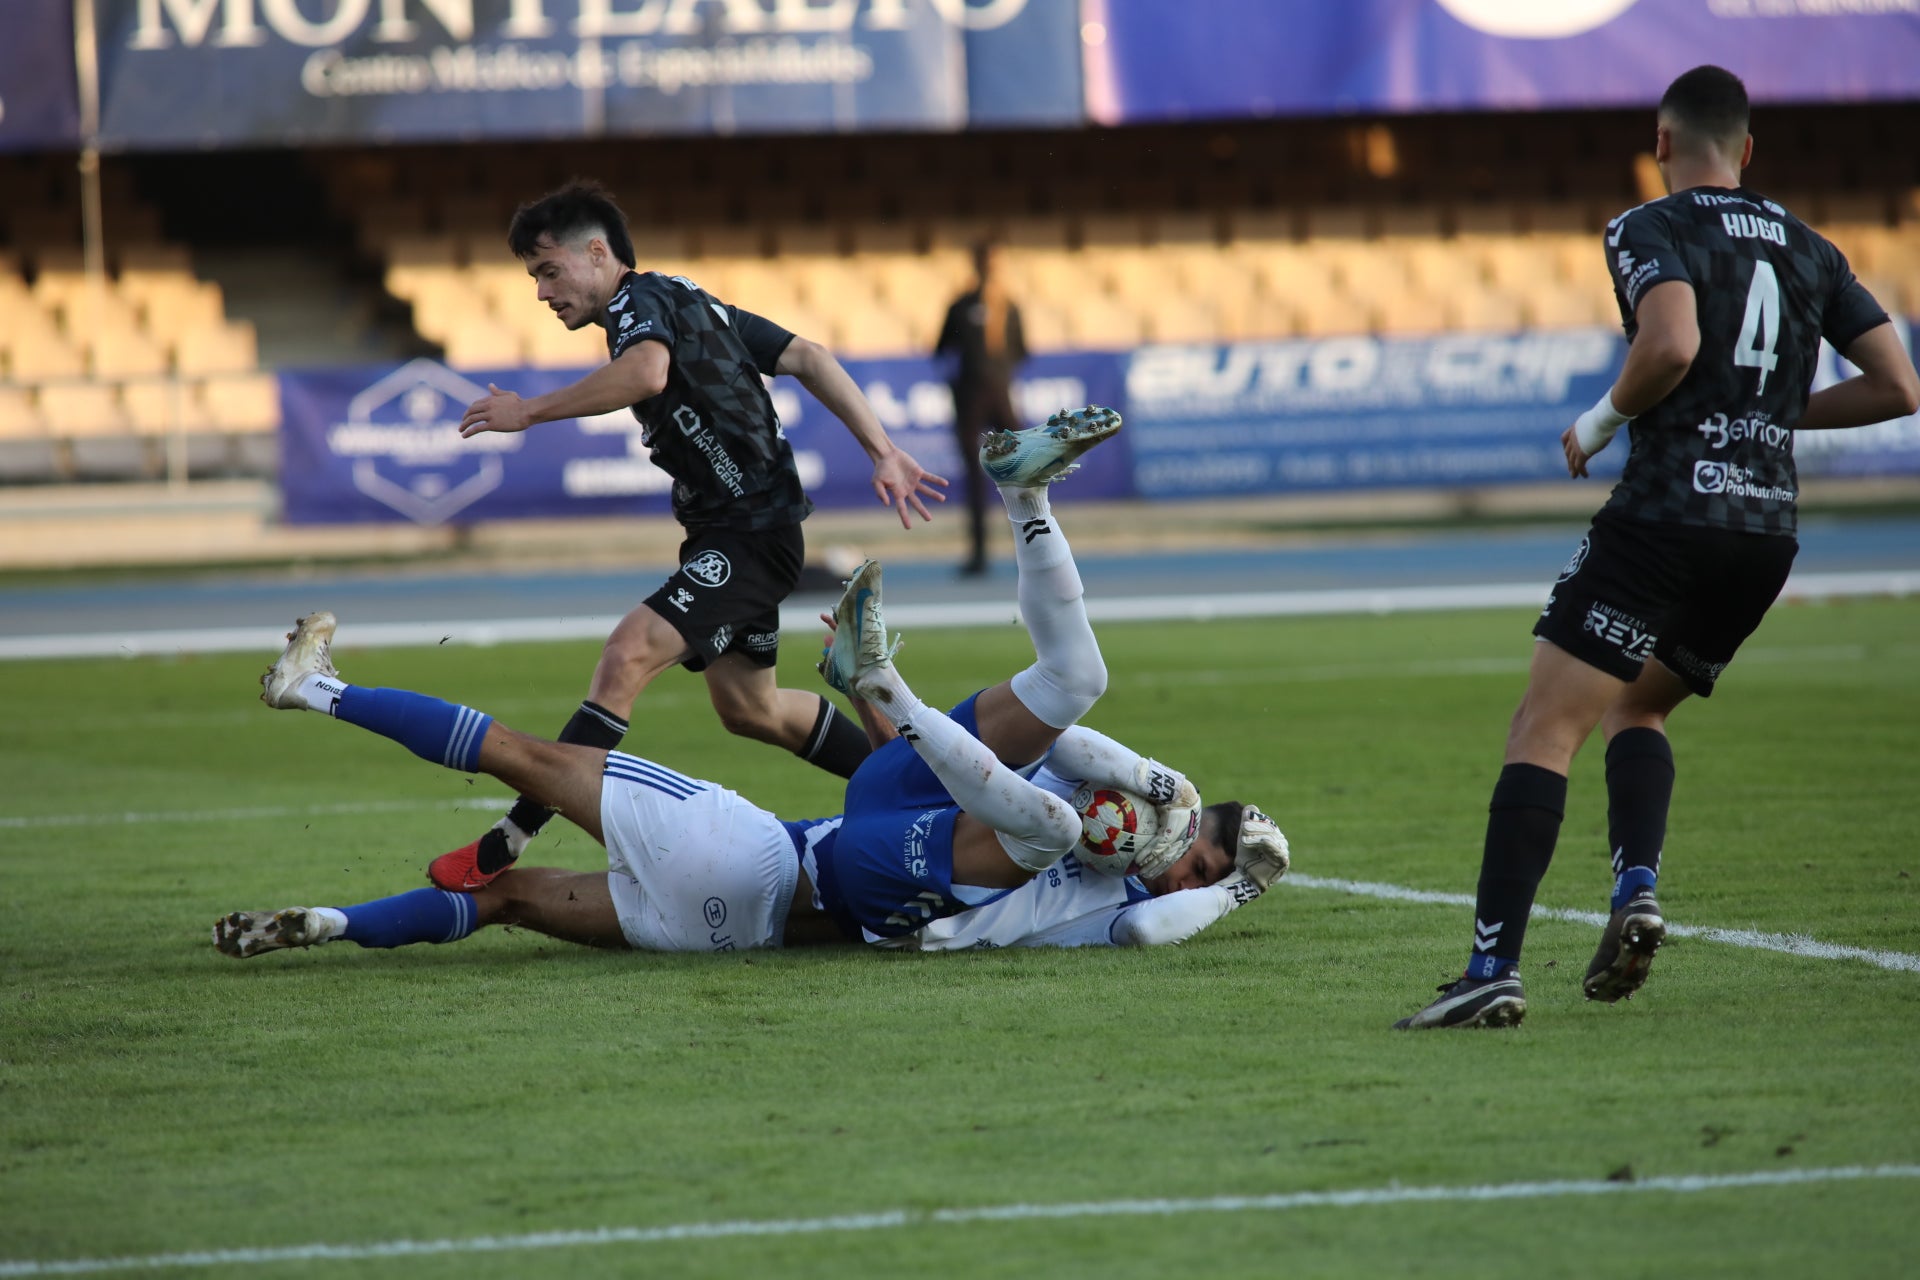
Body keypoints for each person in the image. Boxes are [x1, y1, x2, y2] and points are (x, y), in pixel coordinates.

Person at [216, 417, 1290, 959]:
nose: (1181, 863)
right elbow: (1092, 750)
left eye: (1197, 863)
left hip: (791, 857)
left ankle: (316, 690)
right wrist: (1171, 801)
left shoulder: (1111, 892)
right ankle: (332, 921)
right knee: (506, 899)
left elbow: (1135, 889)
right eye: (1197, 850)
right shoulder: (1126, 865)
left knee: (526, 755)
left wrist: (1222, 873)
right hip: (754, 924)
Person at [1395, 66, 1920, 1030]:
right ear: (1749, 149)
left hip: (1666, 518)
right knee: (1639, 709)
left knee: (1543, 728)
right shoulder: (1813, 248)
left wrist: (1598, 422)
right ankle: (1637, 887)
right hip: (1763, 535)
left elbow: (1671, 343)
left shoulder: (1651, 224)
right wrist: (1766, 417)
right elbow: (1899, 385)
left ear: (1662, 141)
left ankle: (1489, 970)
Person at [431, 180, 947, 895]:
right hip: (741, 533)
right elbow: (810, 356)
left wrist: (529, 413)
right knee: (751, 710)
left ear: (596, 253)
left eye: (548, 271)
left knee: (627, 653)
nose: (543, 293)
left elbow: (647, 373)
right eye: (534, 278)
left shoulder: (637, 306)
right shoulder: (686, 297)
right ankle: (923, 791)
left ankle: (510, 834)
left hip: (747, 537)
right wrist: (881, 450)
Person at [935, 241, 1028, 577]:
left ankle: (1032, 548)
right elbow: (942, 348)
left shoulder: (1009, 307)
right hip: (971, 397)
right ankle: (979, 554)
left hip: (999, 396)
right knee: (975, 478)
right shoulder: (961, 306)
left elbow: (1020, 350)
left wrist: (995, 375)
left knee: (1023, 473)